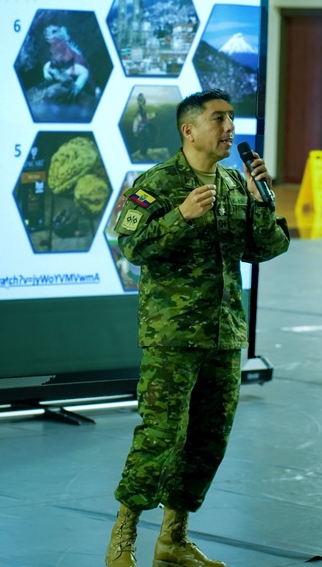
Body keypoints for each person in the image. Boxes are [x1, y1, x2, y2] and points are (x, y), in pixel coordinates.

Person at [105, 89, 290, 567]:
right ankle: (122, 541)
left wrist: (261, 202)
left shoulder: (234, 183)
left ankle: (173, 541)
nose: (229, 127)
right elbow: (132, 245)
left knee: (209, 440)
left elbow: (268, 248)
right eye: (218, 119)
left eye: (231, 118)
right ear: (189, 130)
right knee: (160, 438)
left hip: (225, 334)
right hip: (173, 335)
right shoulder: (157, 183)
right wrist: (181, 217)